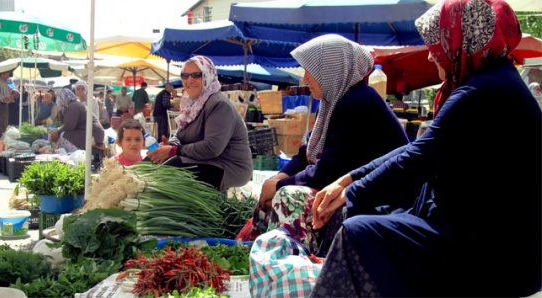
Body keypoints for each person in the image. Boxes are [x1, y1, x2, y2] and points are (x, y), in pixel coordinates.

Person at [310, 1, 541, 297]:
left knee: (358, 232)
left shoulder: (480, 93)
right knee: (367, 216)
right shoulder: (494, 83)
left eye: (438, 43)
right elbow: (422, 147)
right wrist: (349, 181)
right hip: (490, 241)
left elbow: (418, 157)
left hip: (493, 254)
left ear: (462, 41)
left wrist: (349, 191)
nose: (431, 54)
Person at [243, 34, 410, 252]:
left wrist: (279, 186)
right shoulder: (336, 101)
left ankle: (291, 265)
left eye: (309, 71)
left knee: (289, 196)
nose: (304, 79)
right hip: (352, 187)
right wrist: (278, 177)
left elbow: (329, 171)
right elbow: (307, 153)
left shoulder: (357, 102)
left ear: (330, 70)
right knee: (272, 191)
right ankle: (257, 255)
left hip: (382, 197)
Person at [146, 55, 253, 192]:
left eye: (196, 75)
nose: (189, 80)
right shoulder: (191, 104)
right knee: (152, 161)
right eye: (185, 76)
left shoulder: (219, 105)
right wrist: (170, 145)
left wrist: (174, 151)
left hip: (228, 167)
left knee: (172, 167)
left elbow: (212, 148)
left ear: (208, 76)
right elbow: (180, 137)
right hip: (204, 160)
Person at [48, 88, 105, 154]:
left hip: (93, 135)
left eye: (59, 98)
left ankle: (70, 154)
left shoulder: (73, 107)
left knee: (63, 135)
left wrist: (58, 132)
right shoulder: (73, 105)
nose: (58, 100)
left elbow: (69, 126)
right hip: (93, 133)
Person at [0, 70, 15, 140]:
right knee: (1, 125)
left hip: (4, 105)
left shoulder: (4, 82)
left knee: (4, 125)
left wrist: (10, 98)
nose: (8, 76)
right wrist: (6, 99)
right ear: (2, 74)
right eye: (7, 74)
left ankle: (0, 141)